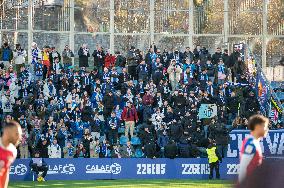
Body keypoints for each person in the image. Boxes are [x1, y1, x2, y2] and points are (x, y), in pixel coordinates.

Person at [238, 115, 269, 183]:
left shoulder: (251, 141)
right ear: (257, 127)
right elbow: (243, 166)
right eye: (265, 126)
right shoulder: (251, 144)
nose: (267, 129)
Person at [0, 121, 22, 188]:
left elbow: (5, 172)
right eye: (17, 134)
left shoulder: (13, 151)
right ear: (7, 132)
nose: (19, 138)